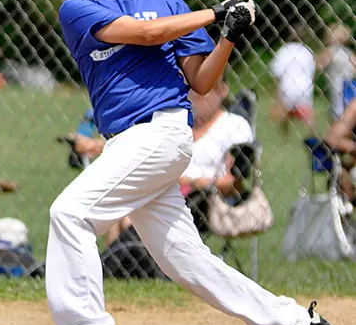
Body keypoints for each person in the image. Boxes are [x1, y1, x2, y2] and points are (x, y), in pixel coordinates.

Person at [28, 0, 337, 325]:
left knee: (69, 214)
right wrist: (216, 13)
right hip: (130, 143)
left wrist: (227, 36)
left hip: (160, 135)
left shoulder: (168, 0)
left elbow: (204, 82)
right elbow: (147, 34)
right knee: (185, 262)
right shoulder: (78, 9)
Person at [70, 77, 254, 240]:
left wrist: (192, 181)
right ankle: (120, 263)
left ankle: (121, 262)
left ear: (223, 90)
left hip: (203, 199)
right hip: (164, 186)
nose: (199, 95)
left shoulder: (234, 125)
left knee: (134, 209)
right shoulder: (180, 122)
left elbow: (234, 184)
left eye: (208, 88)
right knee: (124, 202)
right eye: (193, 88)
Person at [269, 24, 316, 134]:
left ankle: (284, 134)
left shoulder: (284, 50)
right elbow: (312, 72)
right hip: (304, 87)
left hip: (287, 86)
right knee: (307, 115)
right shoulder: (307, 51)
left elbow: (277, 72)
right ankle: (312, 135)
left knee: (284, 112)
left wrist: (277, 90)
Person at [316, 24, 356, 122]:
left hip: (337, 85)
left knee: (338, 111)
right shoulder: (348, 52)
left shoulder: (331, 51)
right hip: (349, 85)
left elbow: (319, 65)